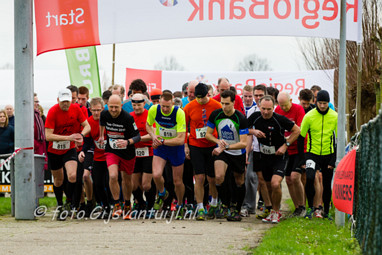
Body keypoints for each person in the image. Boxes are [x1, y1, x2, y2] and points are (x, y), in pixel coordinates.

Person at [247, 95, 300, 223]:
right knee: (268, 185)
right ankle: (272, 211)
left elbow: (297, 130)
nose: (265, 112)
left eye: (269, 109)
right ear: (259, 106)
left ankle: (277, 212)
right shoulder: (255, 117)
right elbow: (243, 129)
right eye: (263, 109)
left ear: (273, 108)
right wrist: (254, 132)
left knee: (276, 183)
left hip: (278, 156)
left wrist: (285, 146)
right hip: (264, 156)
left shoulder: (279, 119)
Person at [45, 88, 90, 220]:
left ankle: (69, 202)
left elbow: (87, 126)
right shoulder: (53, 112)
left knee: (72, 176)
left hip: (69, 148)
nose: (65, 104)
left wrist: (81, 135)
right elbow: (48, 136)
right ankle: (60, 205)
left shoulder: (76, 109)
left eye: (68, 101)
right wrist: (68, 138)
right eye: (63, 102)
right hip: (54, 150)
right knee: (58, 180)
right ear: (58, 100)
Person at [205, 90, 248, 222]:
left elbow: (243, 143)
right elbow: (208, 134)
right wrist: (219, 142)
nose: (224, 107)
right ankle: (225, 204)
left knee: (239, 181)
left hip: (237, 152)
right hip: (223, 152)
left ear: (234, 102)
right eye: (222, 103)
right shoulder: (216, 115)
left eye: (227, 104)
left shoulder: (240, 118)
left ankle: (237, 208)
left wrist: (227, 146)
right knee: (218, 177)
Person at [183, 83, 222, 220]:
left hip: (212, 145)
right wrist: (186, 146)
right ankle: (199, 207)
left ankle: (214, 203)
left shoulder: (217, 105)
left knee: (212, 178)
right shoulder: (189, 107)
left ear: (208, 94)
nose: (200, 100)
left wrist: (220, 144)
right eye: (197, 98)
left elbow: (222, 124)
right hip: (196, 144)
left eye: (202, 98)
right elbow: (184, 128)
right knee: (199, 177)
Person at [99, 95, 141, 220]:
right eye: (111, 107)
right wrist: (102, 136)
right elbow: (102, 123)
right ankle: (117, 205)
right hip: (112, 150)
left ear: (121, 106)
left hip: (127, 152)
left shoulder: (128, 118)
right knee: (112, 175)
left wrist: (127, 142)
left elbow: (137, 136)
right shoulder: (104, 114)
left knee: (126, 180)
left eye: (116, 107)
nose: (113, 110)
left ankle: (127, 204)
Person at [146, 90, 187, 219]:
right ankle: (163, 193)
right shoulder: (154, 109)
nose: (164, 109)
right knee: (156, 175)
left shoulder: (179, 113)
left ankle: (180, 205)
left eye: (167, 106)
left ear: (173, 103)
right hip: (161, 147)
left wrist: (164, 140)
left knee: (177, 181)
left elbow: (181, 139)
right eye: (162, 106)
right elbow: (148, 125)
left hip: (175, 148)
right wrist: (153, 136)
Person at [300, 90, 337, 219]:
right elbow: (301, 137)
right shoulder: (309, 116)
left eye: (325, 103)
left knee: (327, 184)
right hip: (312, 153)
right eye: (320, 103)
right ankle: (310, 208)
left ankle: (326, 211)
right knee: (309, 178)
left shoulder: (335, 116)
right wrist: (302, 158)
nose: (322, 106)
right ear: (315, 102)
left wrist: (333, 160)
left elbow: (338, 139)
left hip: (328, 153)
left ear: (328, 103)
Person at [275, 92, 306, 217]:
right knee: (288, 179)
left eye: (285, 105)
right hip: (286, 150)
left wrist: (287, 142)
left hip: (299, 148)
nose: (283, 108)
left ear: (291, 100)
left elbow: (299, 131)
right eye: (281, 105)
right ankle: (297, 207)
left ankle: (303, 206)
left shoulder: (298, 109)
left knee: (295, 177)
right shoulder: (277, 110)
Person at [241, 84, 267, 217]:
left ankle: (271, 206)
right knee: (250, 177)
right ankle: (249, 206)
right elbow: (247, 132)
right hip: (255, 149)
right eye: (255, 95)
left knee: (267, 179)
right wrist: (246, 151)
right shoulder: (252, 112)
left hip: (270, 151)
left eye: (260, 95)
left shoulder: (273, 110)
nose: (257, 98)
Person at [130, 93, 156, 217]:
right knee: (134, 185)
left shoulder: (149, 116)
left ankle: (151, 206)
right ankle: (141, 204)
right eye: (134, 105)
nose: (136, 107)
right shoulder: (129, 117)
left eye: (139, 105)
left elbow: (153, 134)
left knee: (146, 184)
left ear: (144, 104)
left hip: (148, 153)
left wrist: (135, 139)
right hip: (134, 154)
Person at [85, 97, 111, 218]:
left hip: (110, 156)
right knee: (98, 184)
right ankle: (105, 207)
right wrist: (83, 152)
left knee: (109, 182)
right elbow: (87, 141)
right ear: (90, 109)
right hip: (97, 157)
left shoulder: (109, 119)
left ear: (103, 109)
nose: (96, 113)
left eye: (99, 110)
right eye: (94, 110)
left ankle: (113, 206)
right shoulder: (89, 122)